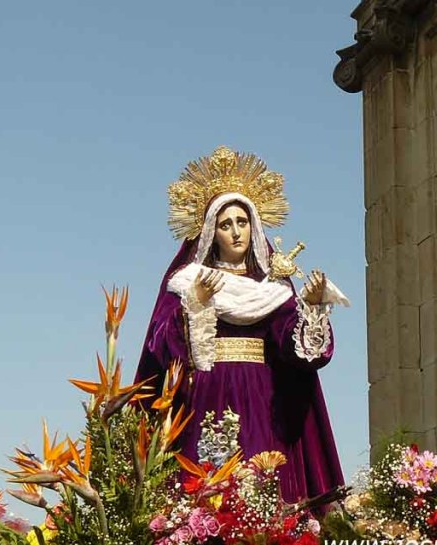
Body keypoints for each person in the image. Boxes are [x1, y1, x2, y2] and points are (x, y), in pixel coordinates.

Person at [135, 146, 348, 503]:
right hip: (207, 393)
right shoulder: (188, 281)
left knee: (262, 481)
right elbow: (160, 346)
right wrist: (197, 303)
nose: (236, 232)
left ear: (254, 226)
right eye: (225, 224)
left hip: (261, 395)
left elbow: (294, 349)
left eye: (242, 222)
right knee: (205, 484)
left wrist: (310, 308)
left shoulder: (272, 287)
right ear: (210, 232)